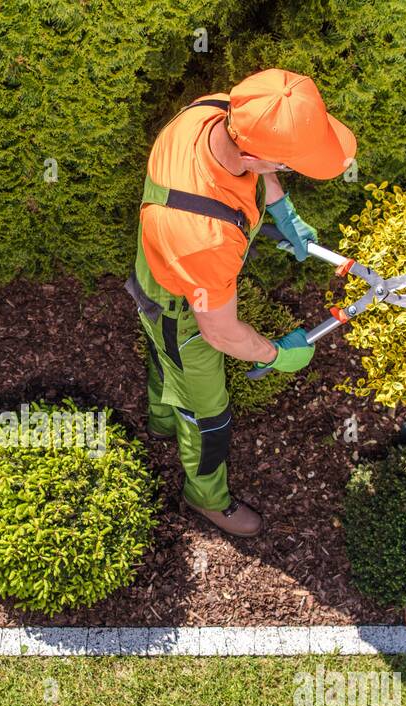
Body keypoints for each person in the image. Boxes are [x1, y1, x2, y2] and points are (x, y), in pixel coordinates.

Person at [126, 68, 356, 536]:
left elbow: (257, 163)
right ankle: (206, 497)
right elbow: (221, 333)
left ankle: (159, 419)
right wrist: (279, 353)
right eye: (287, 165)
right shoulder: (205, 238)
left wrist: (282, 209)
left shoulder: (213, 111)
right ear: (252, 154)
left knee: (161, 358)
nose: (284, 174)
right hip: (181, 310)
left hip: (157, 266)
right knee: (207, 413)